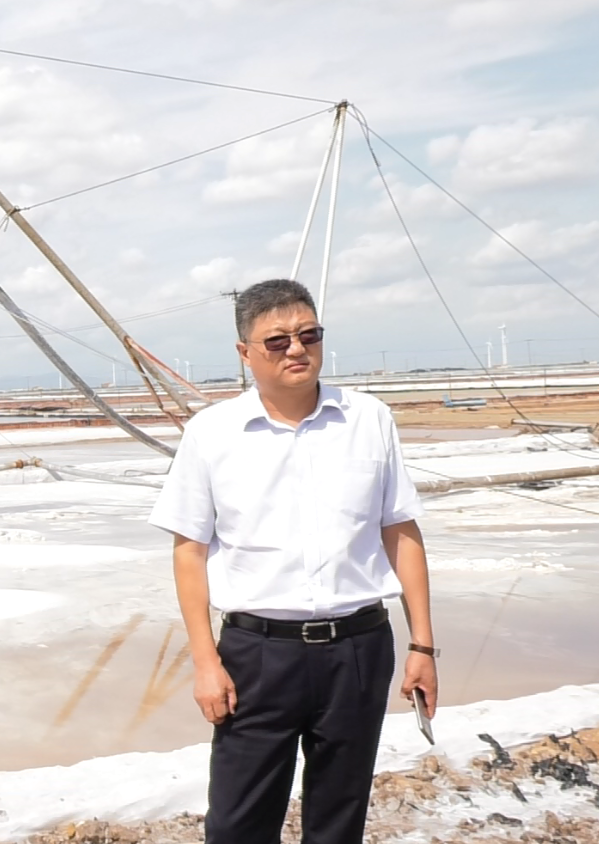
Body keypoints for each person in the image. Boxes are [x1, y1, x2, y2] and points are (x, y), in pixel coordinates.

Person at [149, 279, 437, 844]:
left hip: (358, 650)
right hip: (258, 656)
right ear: (245, 352)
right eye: (277, 341)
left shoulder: (368, 419)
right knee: (237, 824)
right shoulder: (212, 433)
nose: (297, 349)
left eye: (309, 335)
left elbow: (400, 532)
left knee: (338, 820)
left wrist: (423, 646)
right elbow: (189, 552)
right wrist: (205, 661)